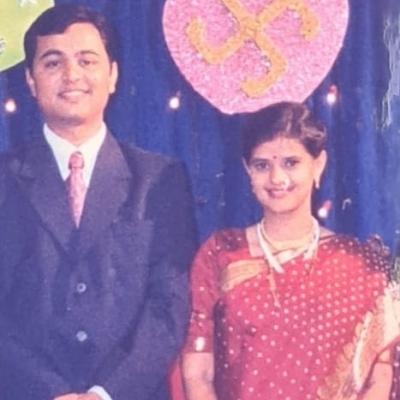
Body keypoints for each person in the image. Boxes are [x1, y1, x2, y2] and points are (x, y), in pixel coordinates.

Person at [0, 4, 196, 400]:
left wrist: (104, 394)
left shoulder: (159, 180)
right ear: (31, 81)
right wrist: (50, 391)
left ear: (113, 75)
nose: (71, 75)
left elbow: (169, 306)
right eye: (53, 62)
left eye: (87, 60)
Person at [178, 102, 400, 400]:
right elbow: (198, 373)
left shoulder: (359, 264)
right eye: (262, 165)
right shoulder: (220, 253)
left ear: (318, 165)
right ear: (247, 170)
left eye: (291, 163)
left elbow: (379, 377)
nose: (277, 179)